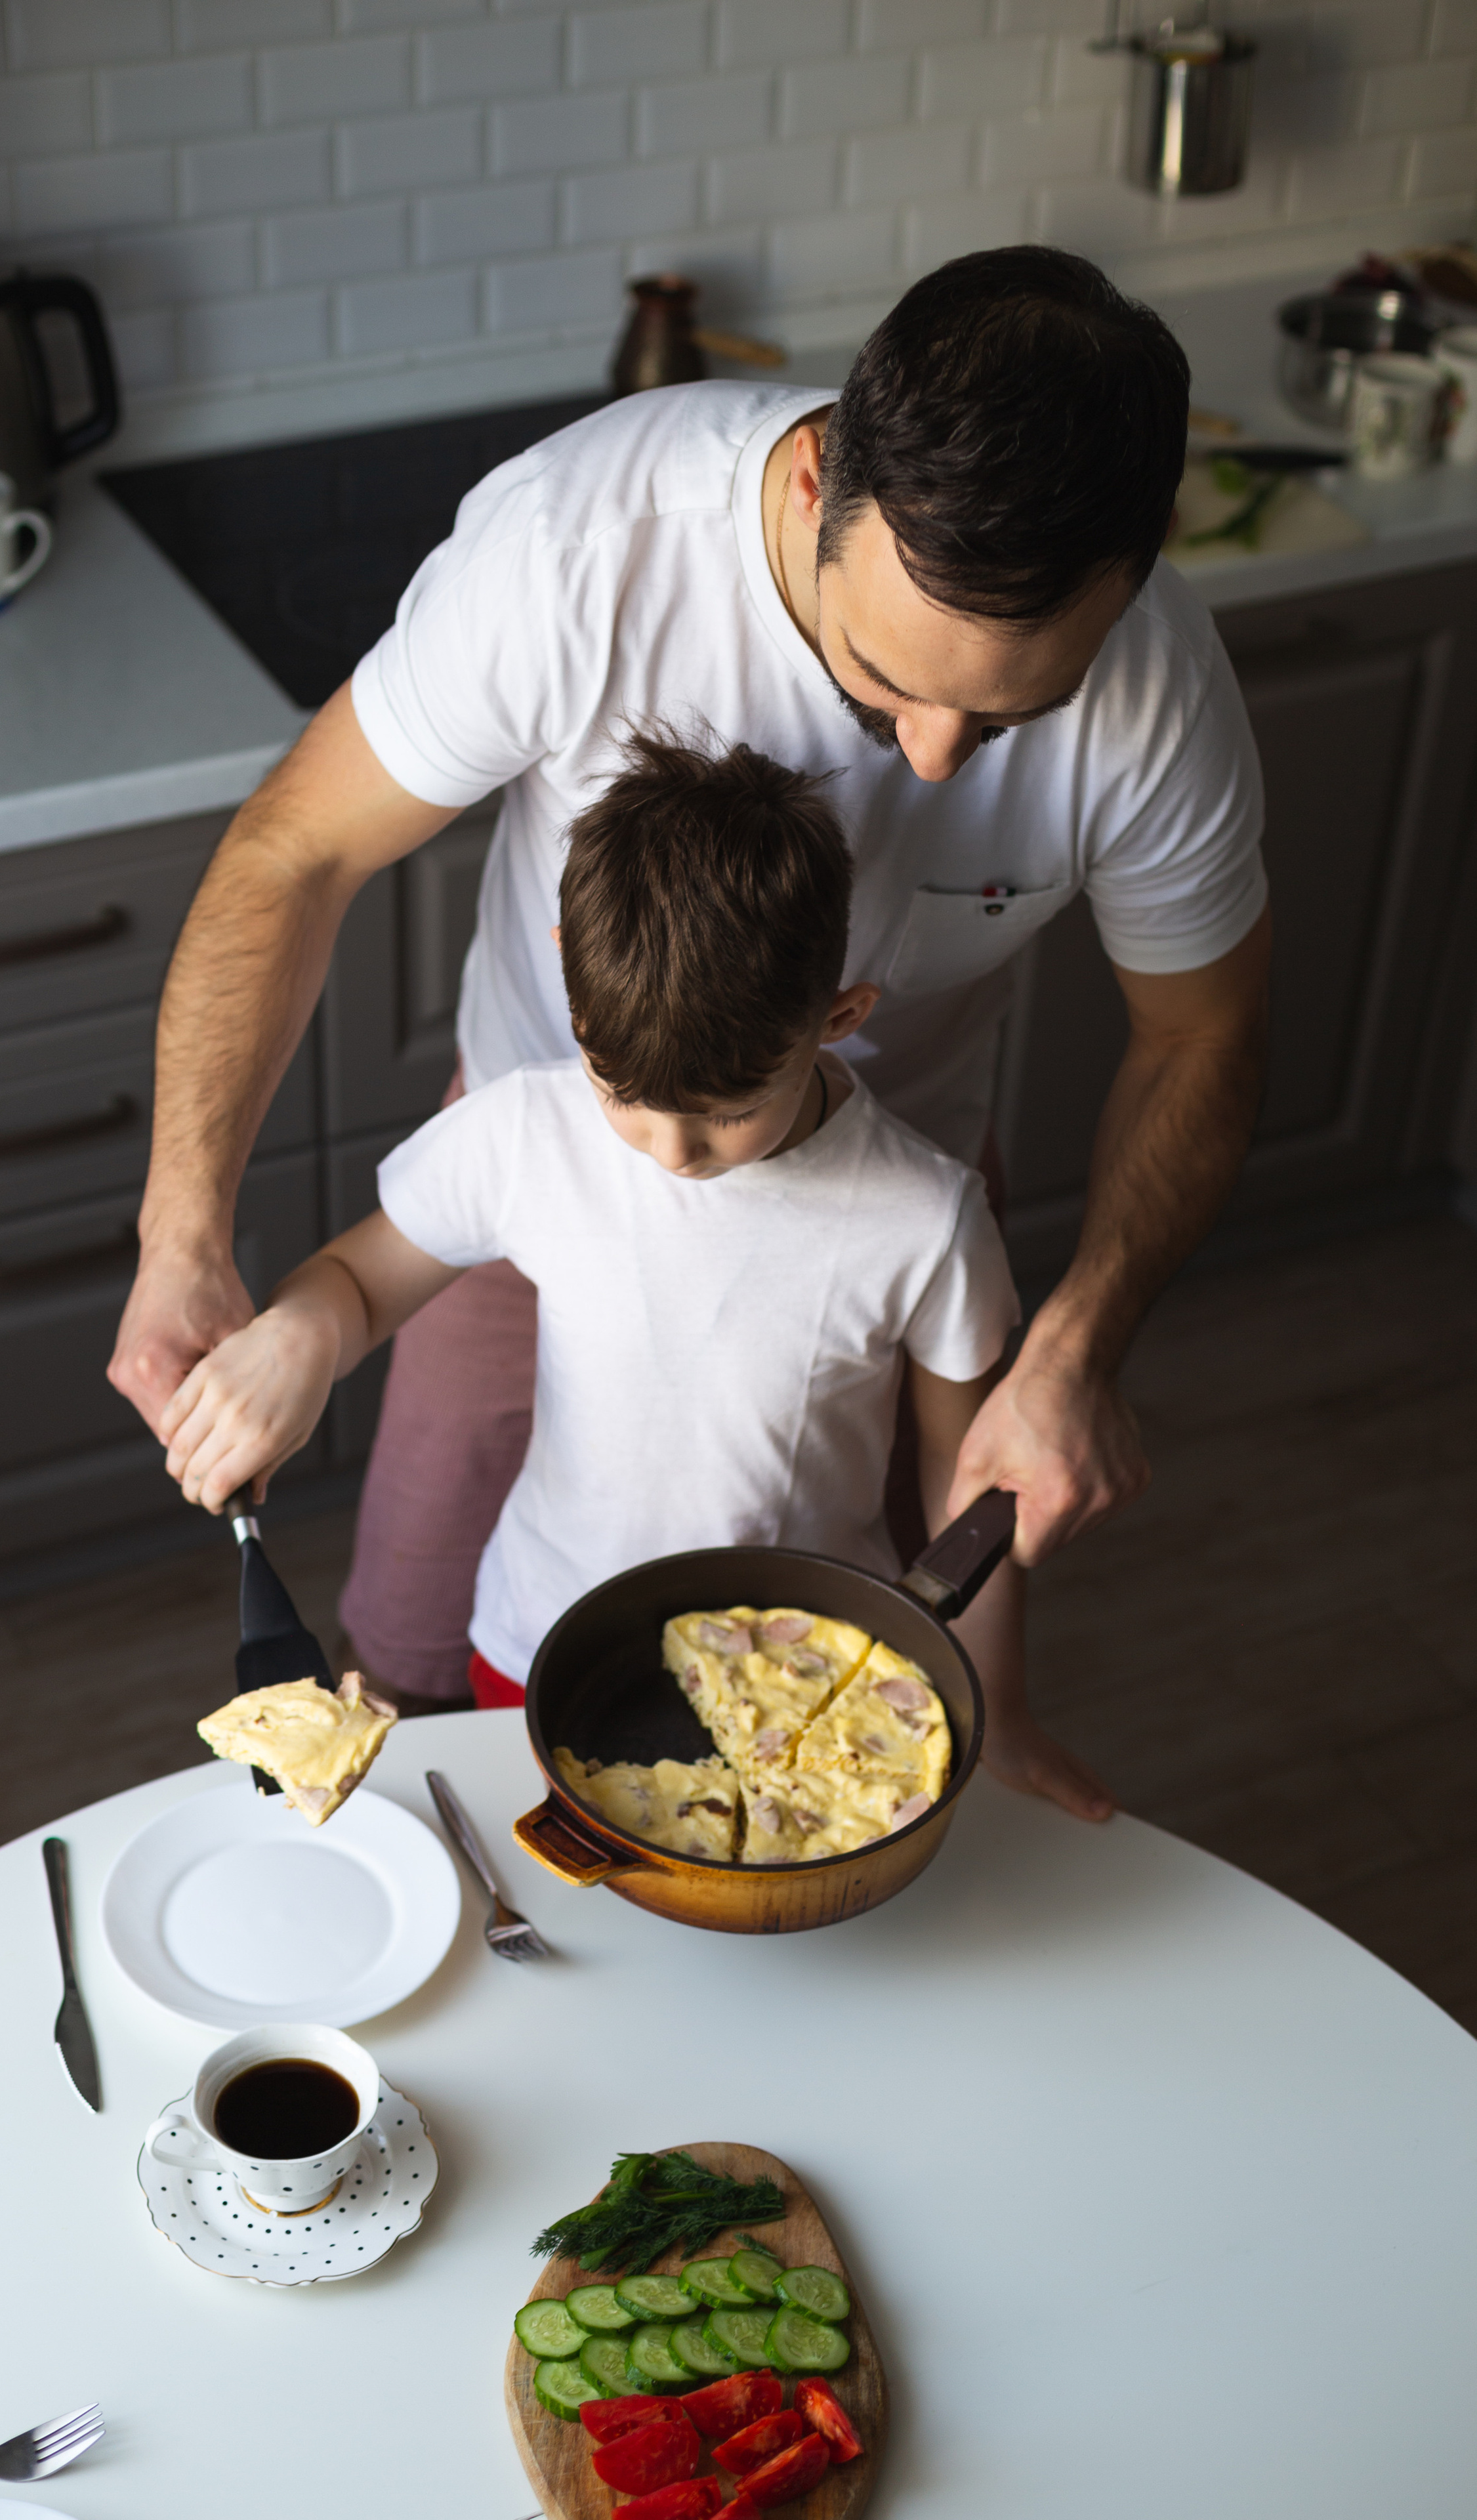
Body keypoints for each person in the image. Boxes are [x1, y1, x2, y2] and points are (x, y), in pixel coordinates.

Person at [110, 245, 1269, 1726]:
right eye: (877, 680)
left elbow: (1200, 1032)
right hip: (543, 1181)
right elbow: (296, 854)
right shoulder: (580, 549)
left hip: (892, 1186)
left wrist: (1076, 1341)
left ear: (1141, 557)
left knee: (879, 1693)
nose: (922, 760)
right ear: (813, 491)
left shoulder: (1159, 696)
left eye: (1006, 717)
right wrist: (184, 1230)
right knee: (404, 1646)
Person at [159, 734, 1100, 1810]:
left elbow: (962, 1497)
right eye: (625, 1095)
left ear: (839, 1017)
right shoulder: (527, 1134)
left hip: (803, 1682)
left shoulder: (927, 1218)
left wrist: (1003, 1711)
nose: (672, 1152)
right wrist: (301, 1337)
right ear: (570, 978)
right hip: (540, 1646)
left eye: (728, 1112)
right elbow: (362, 1282)